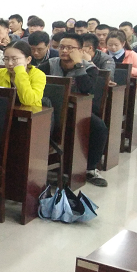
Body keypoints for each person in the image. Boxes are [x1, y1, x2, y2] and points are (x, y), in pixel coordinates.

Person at [38, 33, 108, 187]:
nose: (64, 51)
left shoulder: (90, 68)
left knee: (99, 127)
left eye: (70, 48)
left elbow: (86, 88)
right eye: (61, 47)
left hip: (78, 111)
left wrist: (78, 64)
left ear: (80, 50)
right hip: (52, 110)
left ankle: (90, 169)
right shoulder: (50, 64)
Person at [0, 41, 46, 107]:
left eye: (14, 59)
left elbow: (28, 101)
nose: (10, 63)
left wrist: (20, 72)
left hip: (29, 112)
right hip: (3, 110)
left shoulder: (38, 75)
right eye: (6, 59)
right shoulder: (0, 73)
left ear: (28, 60)